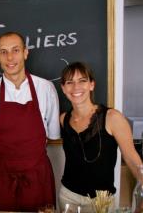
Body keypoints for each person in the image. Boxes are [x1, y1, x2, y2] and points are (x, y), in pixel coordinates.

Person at [0, 31, 60, 211]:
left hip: (38, 177)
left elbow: (53, 136)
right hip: (2, 179)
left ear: (25, 52)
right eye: (4, 52)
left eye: (15, 50)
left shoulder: (46, 89)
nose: (10, 57)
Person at [59, 62, 143, 213]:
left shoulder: (112, 117)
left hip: (100, 200)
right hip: (68, 196)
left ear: (92, 85)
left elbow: (131, 157)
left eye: (82, 81)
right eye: (70, 82)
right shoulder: (64, 119)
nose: (76, 87)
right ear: (63, 88)